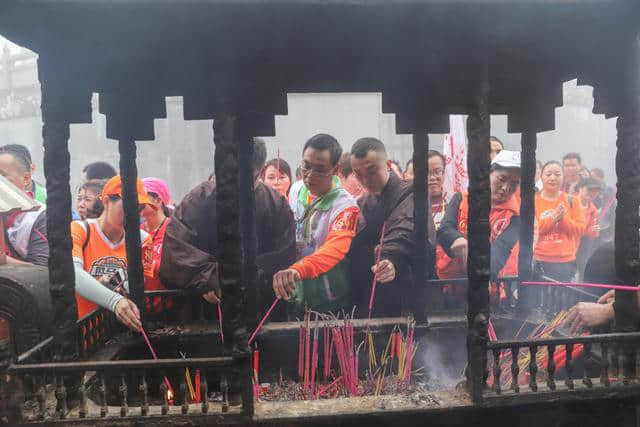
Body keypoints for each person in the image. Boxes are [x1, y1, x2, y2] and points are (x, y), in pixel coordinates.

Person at [160, 138, 296, 321]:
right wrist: (209, 278)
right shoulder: (199, 199)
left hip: (259, 309)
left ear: (261, 171)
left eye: (245, 177)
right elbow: (176, 247)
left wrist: (243, 276)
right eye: (230, 175)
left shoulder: (276, 206)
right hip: (207, 310)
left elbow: (283, 256)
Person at [348, 137, 435, 316]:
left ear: (387, 164)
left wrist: (388, 257)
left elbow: (404, 230)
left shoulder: (413, 191)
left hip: (409, 290)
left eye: (371, 171)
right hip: (372, 293)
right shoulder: (362, 203)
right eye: (358, 174)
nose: (365, 179)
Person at [272, 134, 359, 313]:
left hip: (330, 298)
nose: (310, 176)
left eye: (320, 170)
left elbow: (334, 250)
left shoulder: (346, 207)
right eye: (306, 166)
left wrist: (298, 269)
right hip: (297, 293)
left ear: (336, 169)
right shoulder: (297, 190)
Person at [70, 175, 155, 330]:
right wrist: (114, 301)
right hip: (86, 334)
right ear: (106, 201)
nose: (135, 214)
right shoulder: (80, 230)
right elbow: (73, 274)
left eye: (140, 208)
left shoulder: (143, 240)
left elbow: (139, 284)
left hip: (121, 335)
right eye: (129, 206)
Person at [437, 150, 522, 304]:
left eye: (514, 184)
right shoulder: (462, 198)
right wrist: (457, 240)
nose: (505, 188)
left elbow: (500, 252)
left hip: (488, 292)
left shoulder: (515, 217)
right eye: (502, 179)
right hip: (452, 287)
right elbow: (444, 229)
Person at [534, 160, 586, 283]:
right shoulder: (533, 200)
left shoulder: (573, 201)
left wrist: (563, 220)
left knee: (562, 299)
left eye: (557, 174)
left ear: (563, 177)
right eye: (548, 174)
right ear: (541, 177)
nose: (553, 178)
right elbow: (533, 230)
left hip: (565, 261)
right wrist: (554, 218)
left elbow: (580, 230)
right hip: (539, 259)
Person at [0, 147, 48, 265]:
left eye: (2, 175)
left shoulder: (39, 216)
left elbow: (42, 271)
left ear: (26, 178)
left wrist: (3, 260)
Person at [141, 177, 173, 312]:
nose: (137, 201)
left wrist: (149, 265)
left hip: (170, 308)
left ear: (158, 200)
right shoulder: (136, 232)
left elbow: (180, 265)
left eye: (142, 197)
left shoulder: (174, 229)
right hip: (141, 307)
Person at [575, 177, 602, 281]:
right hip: (566, 245)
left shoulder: (593, 210)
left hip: (582, 247)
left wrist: (595, 231)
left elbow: (592, 234)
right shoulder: (569, 202)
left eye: (596, 191)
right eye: (590, 189)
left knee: (582, 271)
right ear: (580, 188)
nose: (593, 193)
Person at [590, 167, 616, 243]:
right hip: (591, 227)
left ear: (601, 178)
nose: (592, 180)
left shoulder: (608, 191)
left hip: (603, 228)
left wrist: (611, 233)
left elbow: (611, 213)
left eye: (594, 177)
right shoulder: (590, 189)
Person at [427, 150, 448, 230]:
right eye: (426, 173)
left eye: (437, 172)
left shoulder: (453, 201)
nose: (432, 177)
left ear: (444, 173)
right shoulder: (412, 204)